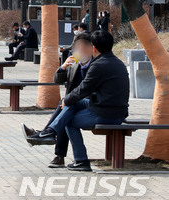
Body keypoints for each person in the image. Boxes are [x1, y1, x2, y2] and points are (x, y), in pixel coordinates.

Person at [26, 30, 129, 171]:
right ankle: (49, 132)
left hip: (106, 113)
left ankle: (81, 160)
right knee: (70, 103)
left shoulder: (98, 65)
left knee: (69, 120)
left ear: (93, 48)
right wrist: (67, 99)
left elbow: (83, 89)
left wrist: (67, 100)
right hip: (109, 107)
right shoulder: (115, 62)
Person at [21, 32, 94, 168]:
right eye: (76, 48)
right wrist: (63, 67)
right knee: (66, 110)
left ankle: (47, 135)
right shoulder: (74, 61)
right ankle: (54, 147)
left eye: (82, 48)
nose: (79, 51)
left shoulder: (96, 63)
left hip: (89, 102)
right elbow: (57, 80)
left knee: (66, 109)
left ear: (91, 48)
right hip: (73, 101)